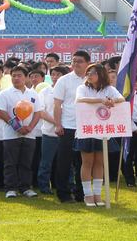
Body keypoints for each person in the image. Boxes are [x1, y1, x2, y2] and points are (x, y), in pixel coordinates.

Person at [75, 64, 125, 206]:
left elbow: (121, 99)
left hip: (102, 130)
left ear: (101, 75)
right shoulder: (82, 88)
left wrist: (112, 101)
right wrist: (100, 100)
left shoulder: (109, 89)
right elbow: (79, 100)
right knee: (87, 162)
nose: (90, 75)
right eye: (88, 72)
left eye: (93, 73)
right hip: (86, 129)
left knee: (99, 163)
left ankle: (97, 194)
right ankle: (88, 195)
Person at [0, 65, 42, 199]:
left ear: (26, 77)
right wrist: (16, 127)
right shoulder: (5, 93)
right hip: (11, 135)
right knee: (10, 162)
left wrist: (30, 128)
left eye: (19, 75)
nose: (16, 78)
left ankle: (26, 187)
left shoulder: (33, 94)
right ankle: (11, 188)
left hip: (30, 134)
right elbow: (2, 112)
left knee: (26, 162)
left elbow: (38, 112)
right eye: (13, 76)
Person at [53, 51, 89, 203]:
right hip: (67, 126)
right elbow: (57, 105)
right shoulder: (64, 80)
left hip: (86, 127)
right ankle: (63, 193)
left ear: (87, 63)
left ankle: (82, 193)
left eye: (79, 61)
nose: (76, 64)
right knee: (64, 162)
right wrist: (58, 124)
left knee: (84, 162)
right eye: (74, 61)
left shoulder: (92, 79)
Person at [37, 65, 69, 194]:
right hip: (49, 133)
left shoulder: (69, 91)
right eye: (53, 74)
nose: (55, 77)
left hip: (67, 132)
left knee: (67, 163)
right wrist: (57, 123)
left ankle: (66, 185)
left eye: (58, 74)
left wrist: (62, 125)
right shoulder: (44, 92)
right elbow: (41, 111)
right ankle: (44, 187)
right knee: (46, 162)